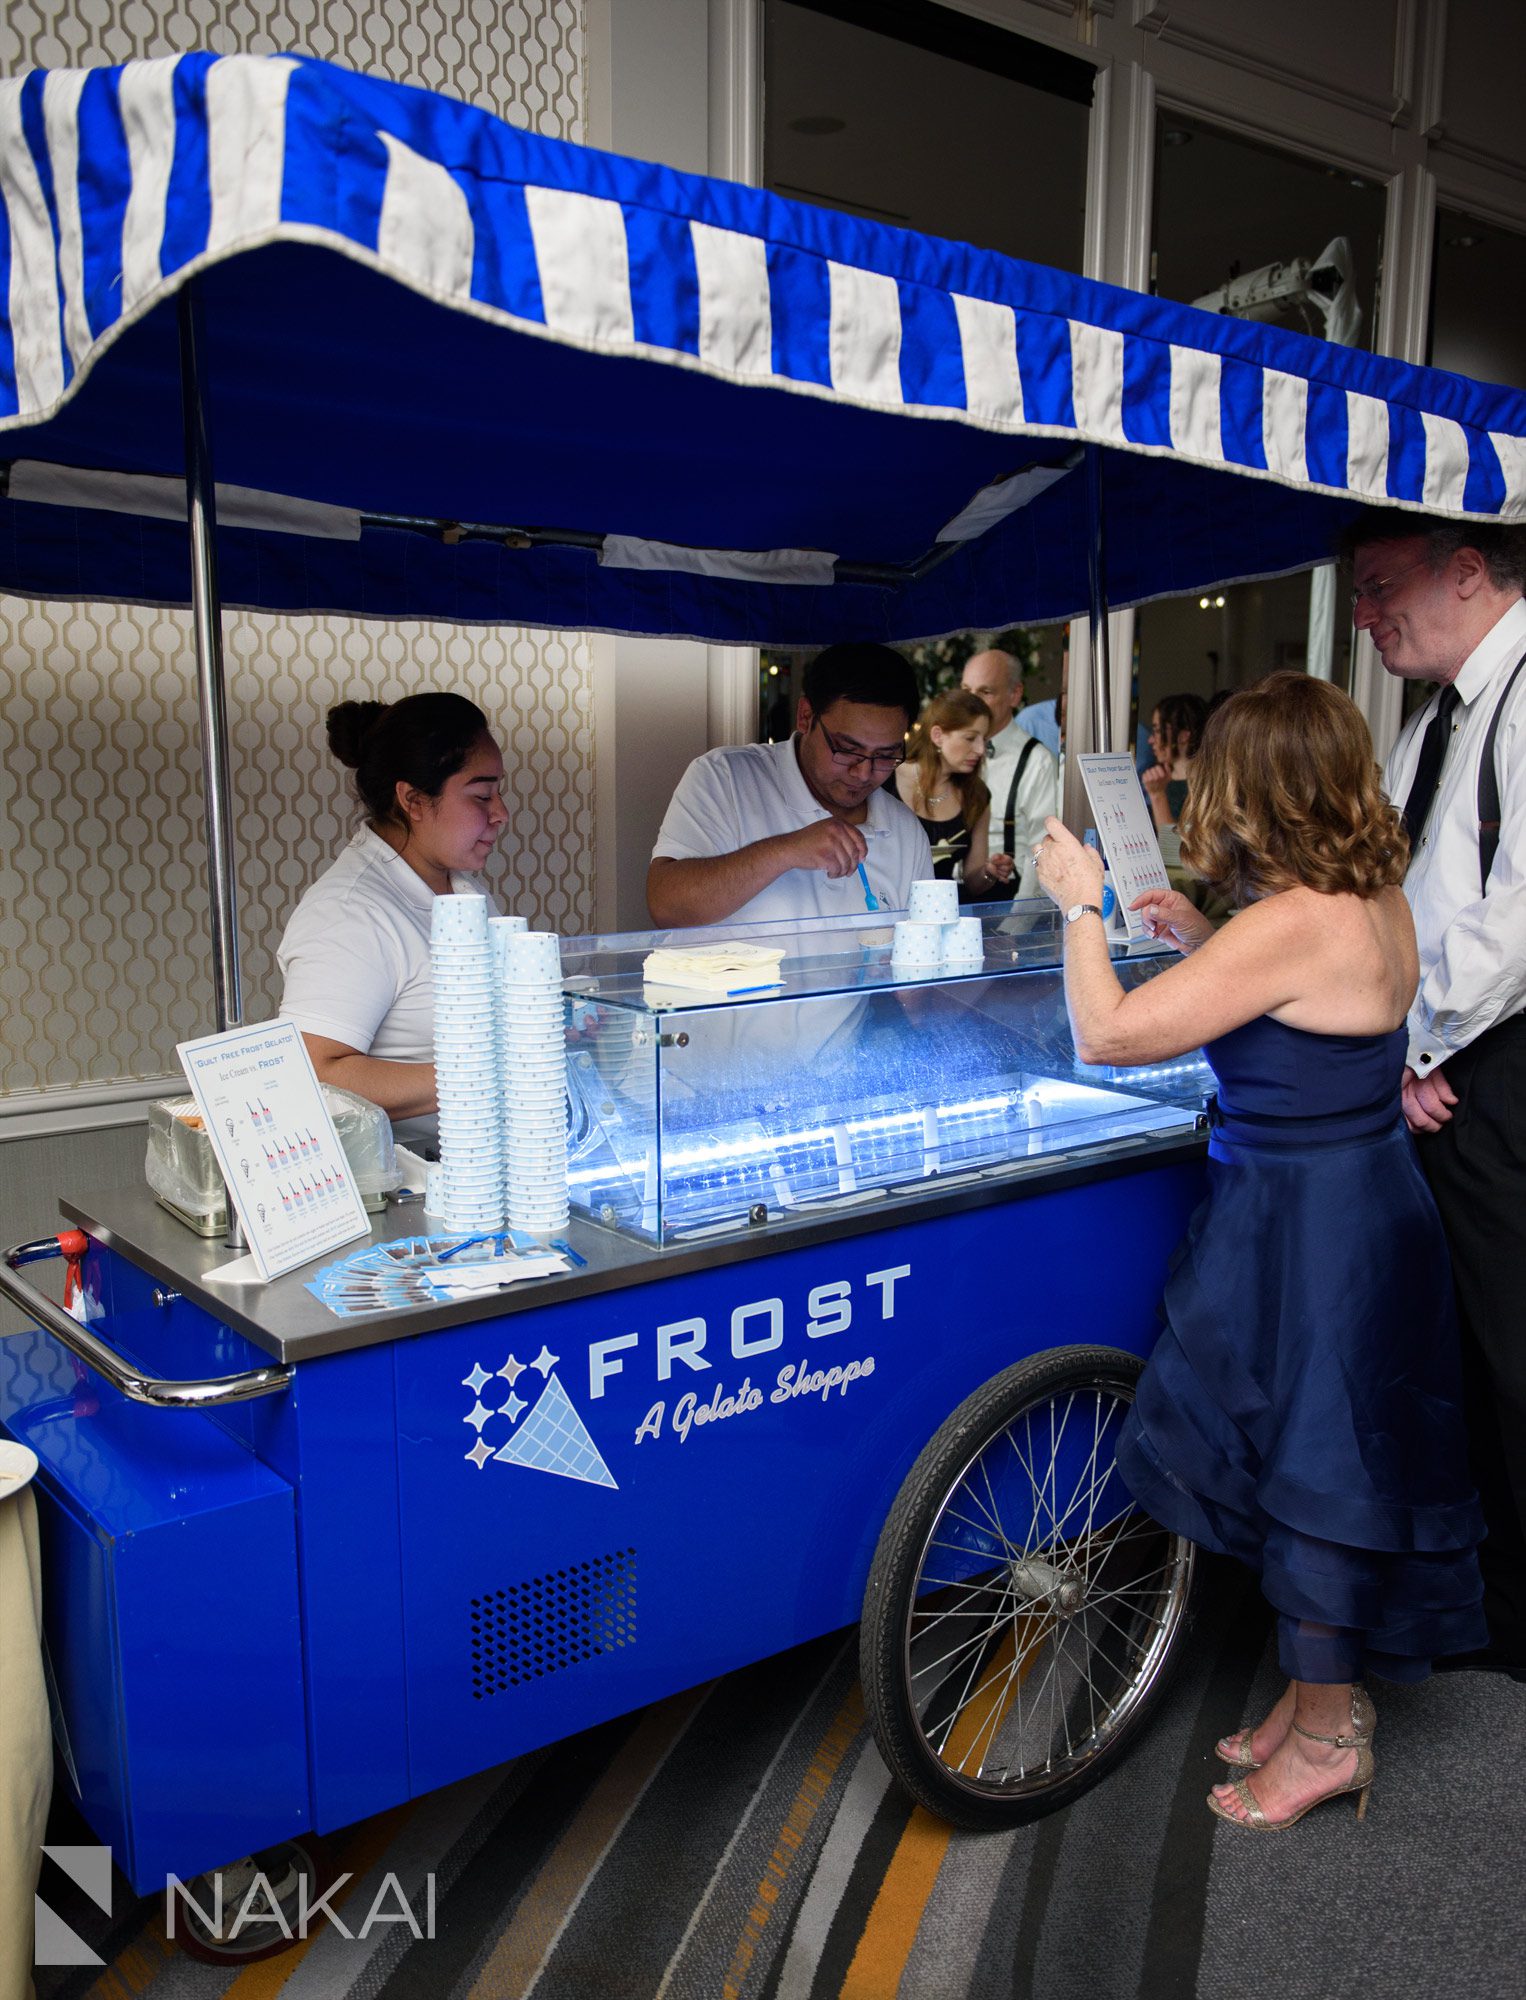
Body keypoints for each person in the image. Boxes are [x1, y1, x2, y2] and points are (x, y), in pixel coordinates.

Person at [1033, 671, 1485, 1832]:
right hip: (1363, 1203)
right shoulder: (1368, 894)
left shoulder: (1289, 924)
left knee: (1317, 1469)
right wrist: (1203, 933)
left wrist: (1081, 903)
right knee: (1329, 1450)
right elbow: (1302, 995)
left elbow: (1107, 1032)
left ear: (1252, 785)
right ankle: (1312, 1696)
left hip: (1305, 1226)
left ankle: (1330, 1736)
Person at [1344, 508, 1526, 1680]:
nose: (1363, 615)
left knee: (1512, 1349)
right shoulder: (1430, 721)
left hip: (1494, 1065)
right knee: (1459, 1347)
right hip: (1443, 1058)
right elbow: (1395, 891)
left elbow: (1515, 916)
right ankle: (1490, 1595)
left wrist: (1417, 1045)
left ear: (1464, 570)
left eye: (1378, 587)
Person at [278, 693, 507, 1146]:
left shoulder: (462, 889)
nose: (500, 813)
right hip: (410, 1181)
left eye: (499, 793)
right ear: (414, 800)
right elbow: (313, 1073)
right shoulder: (350, 912)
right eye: (482, 795)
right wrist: (486, 1072)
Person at [647, 642, 932, 927]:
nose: (863, 772)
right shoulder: (726, 778)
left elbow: (925, 948)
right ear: (806, 717)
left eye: (884, 756)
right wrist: (786, 851)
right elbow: (667, 909)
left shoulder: (904, 831)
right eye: (846, 749)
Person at [890, 689, 1014, 896]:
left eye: (984, 740)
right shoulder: (887, 780)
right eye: (970, 738)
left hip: (941, 911)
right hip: (884, 909)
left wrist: (989, 872)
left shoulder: (977, 796)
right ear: (937, 736)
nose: (980, 750)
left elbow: (973, 881)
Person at [960, 648, 1058, 898]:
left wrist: (1015, 929)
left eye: (985, 691)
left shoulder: (1037, 761)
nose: (971, 702)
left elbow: (1041, 852)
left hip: (1003, 900)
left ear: (1015, 695)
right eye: (966, 690)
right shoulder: (945, 755)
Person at [1141, 692, 1208, 832]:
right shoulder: (1159, 781)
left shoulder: (1203, 791)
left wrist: (1158, 795)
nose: (1151, 740)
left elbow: (1174, 850)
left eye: (1158, 731)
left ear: (1183, 736)